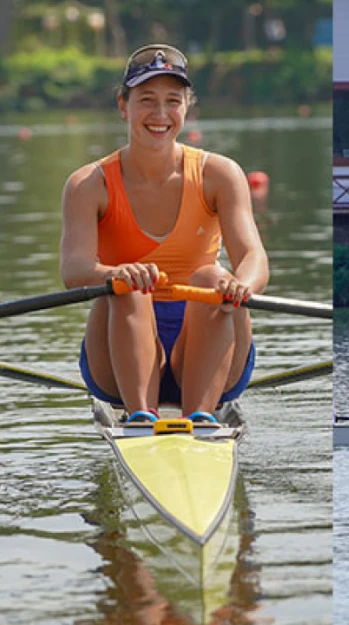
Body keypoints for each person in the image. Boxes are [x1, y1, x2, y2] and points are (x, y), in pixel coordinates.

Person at [60, 44, 268, 423]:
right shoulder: (88, 184)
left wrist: (241, 284)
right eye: (146, 100)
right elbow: (73, 270)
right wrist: (115, 274)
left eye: (173, 101)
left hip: (210, 337)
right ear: (123, 106)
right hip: (117, 354)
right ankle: (140, 414)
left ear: (187, 107)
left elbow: (254, 258)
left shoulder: (219, 174)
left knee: (211, 276)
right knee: (129, 281)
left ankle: (201, 417)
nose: (160, 114)